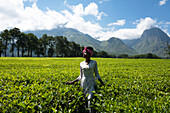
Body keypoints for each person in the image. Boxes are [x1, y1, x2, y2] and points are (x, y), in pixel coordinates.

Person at [66, 46, 105, 113]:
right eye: (84, 52)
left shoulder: (94, 63)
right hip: (83, 84)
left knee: (90, 100)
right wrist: (72, 82)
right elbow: (80, 76)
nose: (84, 54)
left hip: (91, 83)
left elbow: (97, 74)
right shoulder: (81, 63)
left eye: (86, 52)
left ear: (90, 54)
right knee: (85, 102)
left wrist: (103, 84)